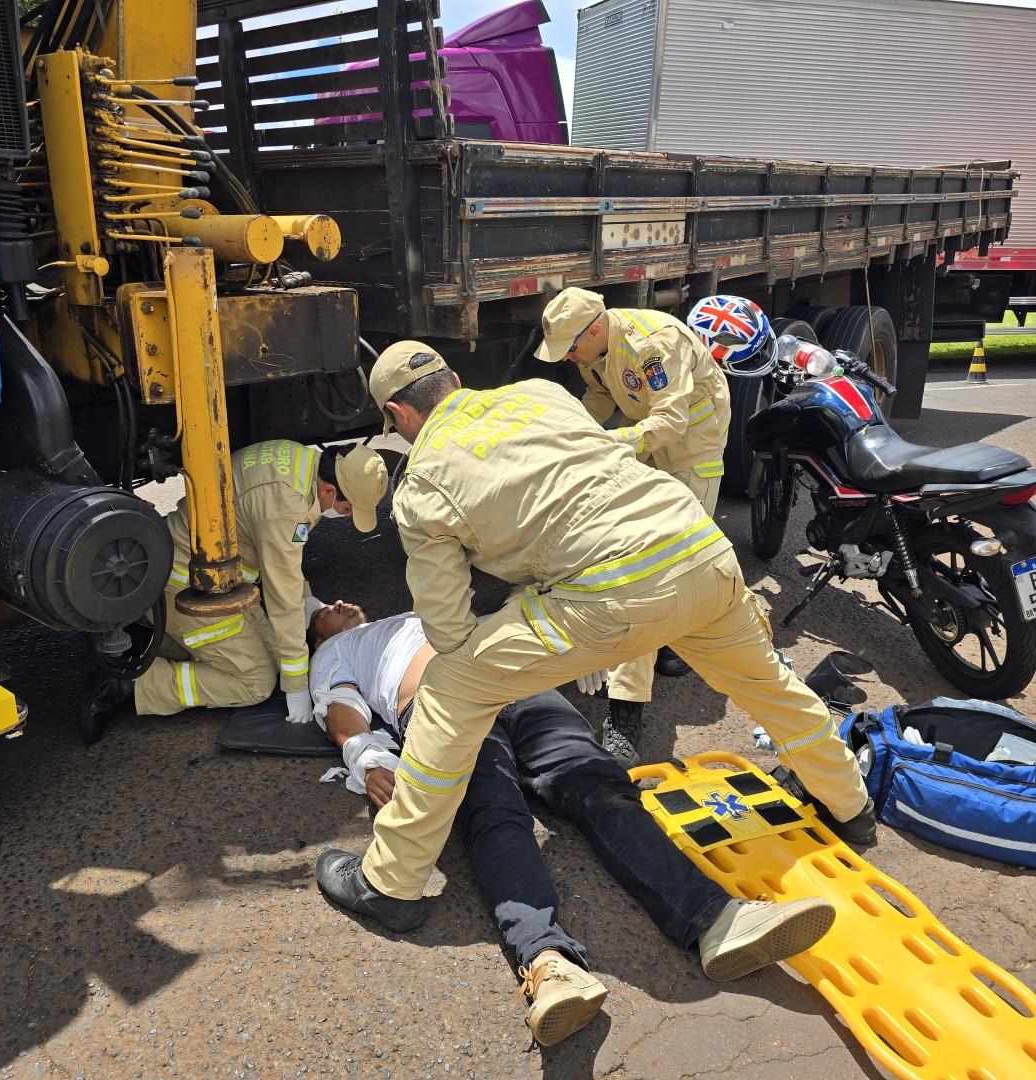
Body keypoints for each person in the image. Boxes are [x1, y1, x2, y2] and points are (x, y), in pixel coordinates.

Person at [315, 342, 875, 941]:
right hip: (698, 548)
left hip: (613, 592)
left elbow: (449, 632)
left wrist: (518, 616)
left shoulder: (422, 485)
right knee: (770, 686)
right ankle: (850, 806)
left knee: (451, 689)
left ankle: (390, 882)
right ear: (454, 378)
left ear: (397, 416)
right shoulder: (540, 393)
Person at [308, 605, 836, 1046]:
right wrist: (367, 758)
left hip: (524, 685)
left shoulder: (418, 609)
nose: (336, 605)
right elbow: (340, 711)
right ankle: (547, 963)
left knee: (604, 787)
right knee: (496, 816)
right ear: (317, 635)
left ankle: (717, 918)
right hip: (445, 704)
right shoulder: (338, 650)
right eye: (324, 611)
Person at [534, 289, 773, 766]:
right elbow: (600, 396)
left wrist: (605, 445)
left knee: (674, 566)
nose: (567, 358)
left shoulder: (653, 345)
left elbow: (669, 421)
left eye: (570, 349)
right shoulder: (594, 348)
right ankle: (659, 649)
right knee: (640, 570)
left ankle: (627, 716)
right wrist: (567, 433)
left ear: (594, 330)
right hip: (649, 441)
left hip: (691, 449)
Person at [79, 441, 387, 744]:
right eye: (348, 509)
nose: (346, 516)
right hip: (188, 586)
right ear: (329, 491)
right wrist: (295, 689)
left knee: (271, 653)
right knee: (258, 681)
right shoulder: (286, 506)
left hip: (208, 576)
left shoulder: (300, 462)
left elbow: (285, 552)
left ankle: (146, 641)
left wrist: (305, 596)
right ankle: (129, 682)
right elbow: (282, 600)